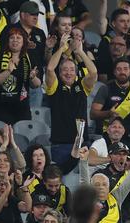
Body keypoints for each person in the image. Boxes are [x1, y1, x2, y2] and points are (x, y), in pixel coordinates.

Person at [45, 32, 97, 164]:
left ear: (76, 72)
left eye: (72, 70)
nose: (68, 73)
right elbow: (50, 69)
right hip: (60, 145)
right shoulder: (55, 86)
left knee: (83, 180)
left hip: (82, 143)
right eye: (65, 70)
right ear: (60, 73)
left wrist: (80, 52)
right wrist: (62, 48)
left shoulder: (82, 85)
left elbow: (93, 72)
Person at [0, 27, 41, 124]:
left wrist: (33, 77)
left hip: (22, 109)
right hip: (0, 108)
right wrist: (8, 71)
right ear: (7, 40)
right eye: (12, 37)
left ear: (24, 41)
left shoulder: (30, 58)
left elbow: (37, 85)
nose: (15, 40)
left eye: (18, 38)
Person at [90, 57, 130, 139]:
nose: (122, 72)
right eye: (119, 69)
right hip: (109, 134)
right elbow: (93, 114)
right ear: (114, 72)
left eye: (125, 69)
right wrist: (108, 113)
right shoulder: (105, 88)